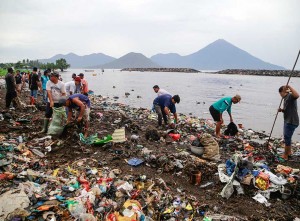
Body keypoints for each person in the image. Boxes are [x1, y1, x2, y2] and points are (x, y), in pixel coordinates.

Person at [278, 85, 299, 160]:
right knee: (288, 137)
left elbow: (297, 95)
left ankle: (285, 155)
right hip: (287, 120)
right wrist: (282, 110)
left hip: (291, 121)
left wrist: (289, 86)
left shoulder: (290, 96)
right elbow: (287, 109)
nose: (280, 96)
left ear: (282, 92)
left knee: (287, 138)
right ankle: (289, 152)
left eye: (280, 94)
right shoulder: (285, 98)